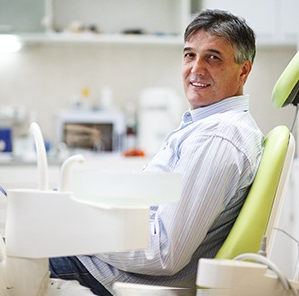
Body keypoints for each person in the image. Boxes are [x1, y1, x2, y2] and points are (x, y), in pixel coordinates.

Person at [49, 9, 264, 295]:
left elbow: (164, 253)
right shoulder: (205, 126)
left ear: (244, 70)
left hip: (108, 278)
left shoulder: (218, 138)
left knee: (2, 254)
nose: (196, 68)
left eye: (213, 57)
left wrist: (78, 230)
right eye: (189, 55)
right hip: (108, 266)